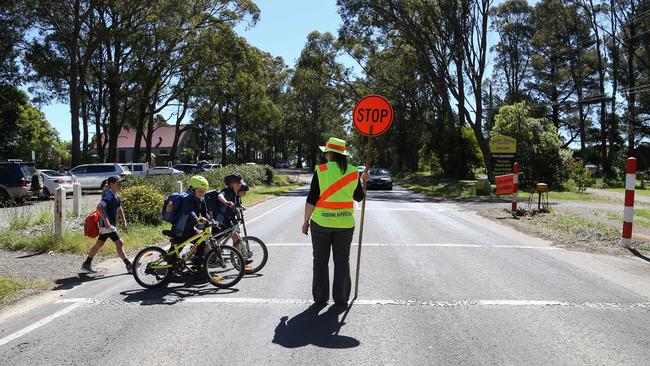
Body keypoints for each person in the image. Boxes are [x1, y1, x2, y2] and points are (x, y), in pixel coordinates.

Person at [302, 137, 369, 307]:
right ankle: (341, 298)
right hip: (345, 225)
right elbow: (359, 198)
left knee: (320, 261)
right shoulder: (353, 172)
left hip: (321, 224)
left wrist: (305, 221)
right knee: (342, 261)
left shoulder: (321, 170)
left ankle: (320, 298)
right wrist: (363, 181)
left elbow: (312, 199)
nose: (325, 155)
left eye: (326, 152)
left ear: (330, 153)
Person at [81, 175, 131, 274]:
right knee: (119, 243)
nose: (121, 185)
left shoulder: (116, 196)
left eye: (121, 183)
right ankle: (129, 265)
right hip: (106, 225)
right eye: (119, 183)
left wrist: (124, 221)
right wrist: (106, 220)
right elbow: (99, 207)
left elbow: (119, 209)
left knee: (99, 243)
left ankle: (87, 264)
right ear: (111, 184)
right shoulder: (109, 195)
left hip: (109, 225)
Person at [211, 173, 253, 263]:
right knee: (217, 239)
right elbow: (220, 196)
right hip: (220, 219)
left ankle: (238, 259)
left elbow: (238, 204)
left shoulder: (236, 194)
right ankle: (207, 256)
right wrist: (226, 202)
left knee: (236, 237)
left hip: (229, 219)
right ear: (231, 184)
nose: (239, 184)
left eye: (240, 182)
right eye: (236, 182)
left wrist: (241, 207)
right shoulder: (227, 191)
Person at [175, 175, 211, 264]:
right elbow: (189, 211)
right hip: (181, 229)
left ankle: (197, 265)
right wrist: (197, 219)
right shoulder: (188, 198)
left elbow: (205, 213)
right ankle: (169, 273)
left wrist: (211, 221)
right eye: (200, 191)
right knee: (173, 257)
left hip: (191, 229)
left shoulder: (201, 199)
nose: (202, 193)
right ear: (193, 189)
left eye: (203, 191)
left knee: (201, 243)